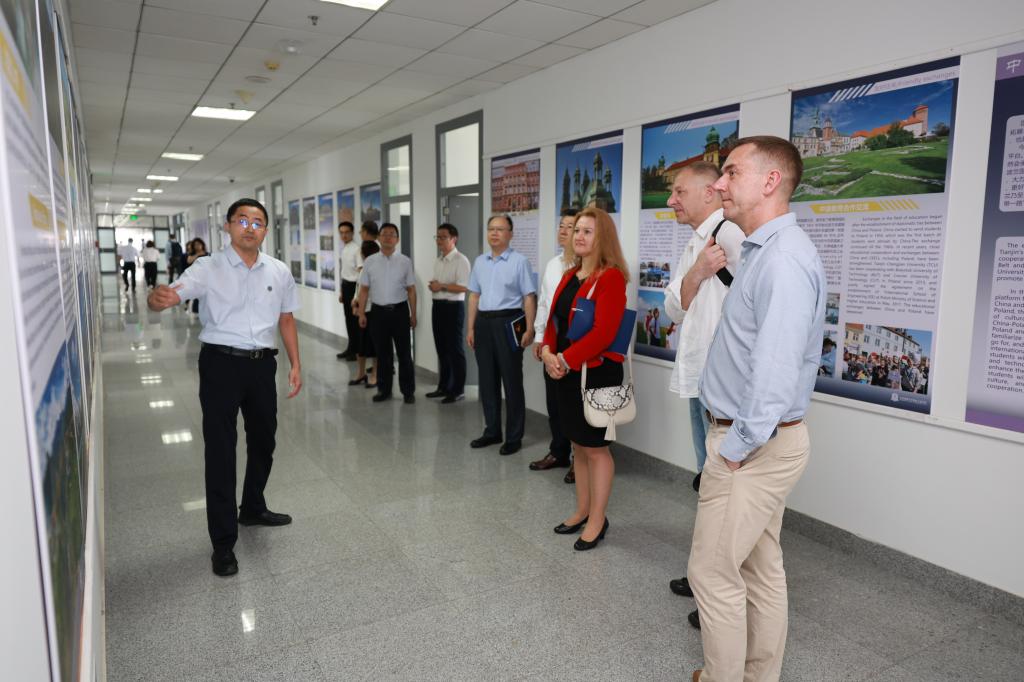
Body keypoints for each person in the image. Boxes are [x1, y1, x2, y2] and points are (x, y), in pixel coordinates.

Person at [688, 136, 825, 682]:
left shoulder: (783, 260)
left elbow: (774, 374)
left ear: (770, 182)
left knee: (711, 572)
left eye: (731, 172)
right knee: (760, 568)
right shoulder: (764, 251)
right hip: (760, 441)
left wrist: (735, 450)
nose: (719, 184)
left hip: (752, 446)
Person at [146, 198, 303, 578]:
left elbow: (286, 318)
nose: (250, 227)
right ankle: (222, 543)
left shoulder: (279, 270)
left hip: (262, 365)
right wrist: (157, 299)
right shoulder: (208, 267)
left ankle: (252, 507)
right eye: (242, 220)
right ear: (229, 226)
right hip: (220, 364)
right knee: (221, 450)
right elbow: (168, 297)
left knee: (264, 440)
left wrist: (296, 364)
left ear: (266, 230)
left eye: (257, 222)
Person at [661, 162, 745, 616]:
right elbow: (673, 307)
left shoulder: (732, 236)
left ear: (709, 192)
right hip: (699, 380)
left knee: (726, 492)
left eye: (679, 192)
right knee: (707, 482)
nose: (671, 200)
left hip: (725, 388)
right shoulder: (699, 242)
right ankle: (704, 579)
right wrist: (696, 272)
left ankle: (720, 592)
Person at [540, 207, 628, 551]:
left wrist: (564, 359)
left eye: (587, 231)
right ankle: (582, 510)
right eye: (577, 230)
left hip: (596, 374)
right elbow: (554, 320)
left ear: (602, 237)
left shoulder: (611, 278)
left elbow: (603, 333)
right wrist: (548, 351)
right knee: (577, 444)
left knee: (596, 448)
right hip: (565, 371)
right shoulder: (570, 274)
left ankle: (597, 519)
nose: (578, 236)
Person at [466, 215, 537, 455]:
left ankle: (514, 437)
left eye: (500, 229)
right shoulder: (480, 262)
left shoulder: (520, 261)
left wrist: (529, 328)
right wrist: (471, 328)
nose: (494, 233)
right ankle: (492, 431)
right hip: (483, 324)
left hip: (509, 322)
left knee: (512, 380)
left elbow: (529, 297)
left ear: (510, 234)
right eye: (491, 229)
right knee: (487, 380)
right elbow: (474, 296)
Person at [529, 209, 578, 479]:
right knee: (555, 401)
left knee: (575, 404)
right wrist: (539, 337)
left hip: (576, 343)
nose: (563, 231)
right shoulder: (553, 264)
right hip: (552, 341)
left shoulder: (587, 266)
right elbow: (544, 304)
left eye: (570, 226)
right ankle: (558, 451)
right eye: (561, 225)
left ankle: (579, 460)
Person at [354, 222, 417, 404]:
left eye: (392, 234)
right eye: (384, 234)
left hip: (399, 312)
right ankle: (384, 389)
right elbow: (364, 290)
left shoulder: (405, 262)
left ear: (397, 239)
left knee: (404, 354)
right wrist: (362, 313)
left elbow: (411, 290)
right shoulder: (370, 262)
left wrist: (413, 314)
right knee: (383, 354)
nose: (388, 237)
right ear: (379, 238)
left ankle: (408, 391)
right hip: (378, 313)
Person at [427, 223, 471, 403]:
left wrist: (442, 286)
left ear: (454, 239)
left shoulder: (461, 260)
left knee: (454, 349)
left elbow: (464, 287)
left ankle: (458, 390)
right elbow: (438, 283)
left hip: (453, 308)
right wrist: (434, 286)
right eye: (437, 237)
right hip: (437, 306)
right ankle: (443, 386)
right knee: (441, 349)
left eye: (443, 237)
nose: (439, 240)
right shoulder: (438, 260)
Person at [348, 240, 379, 389]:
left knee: (373, 346)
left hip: (371, 311)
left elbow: (370, 293)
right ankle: (361, 374)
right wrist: (355, 301)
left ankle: (375, 375)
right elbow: (359, 289)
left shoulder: (377, 270)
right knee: (360, 345)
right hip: (361, 311)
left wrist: (359, 305)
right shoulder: (362, 270)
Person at [336, 221, 361, 360]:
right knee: (348, 320)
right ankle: (351, 348)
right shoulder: (344, 248)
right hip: (346, 286)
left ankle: (356, 351)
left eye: (346, 232)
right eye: (341, 233)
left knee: (354, 321)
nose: (344, 235)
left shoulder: (357, 249)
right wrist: (341, 291)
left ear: (352, 233)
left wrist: (357, 295)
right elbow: (344, 272)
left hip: (354, 287)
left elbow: (360, 272)